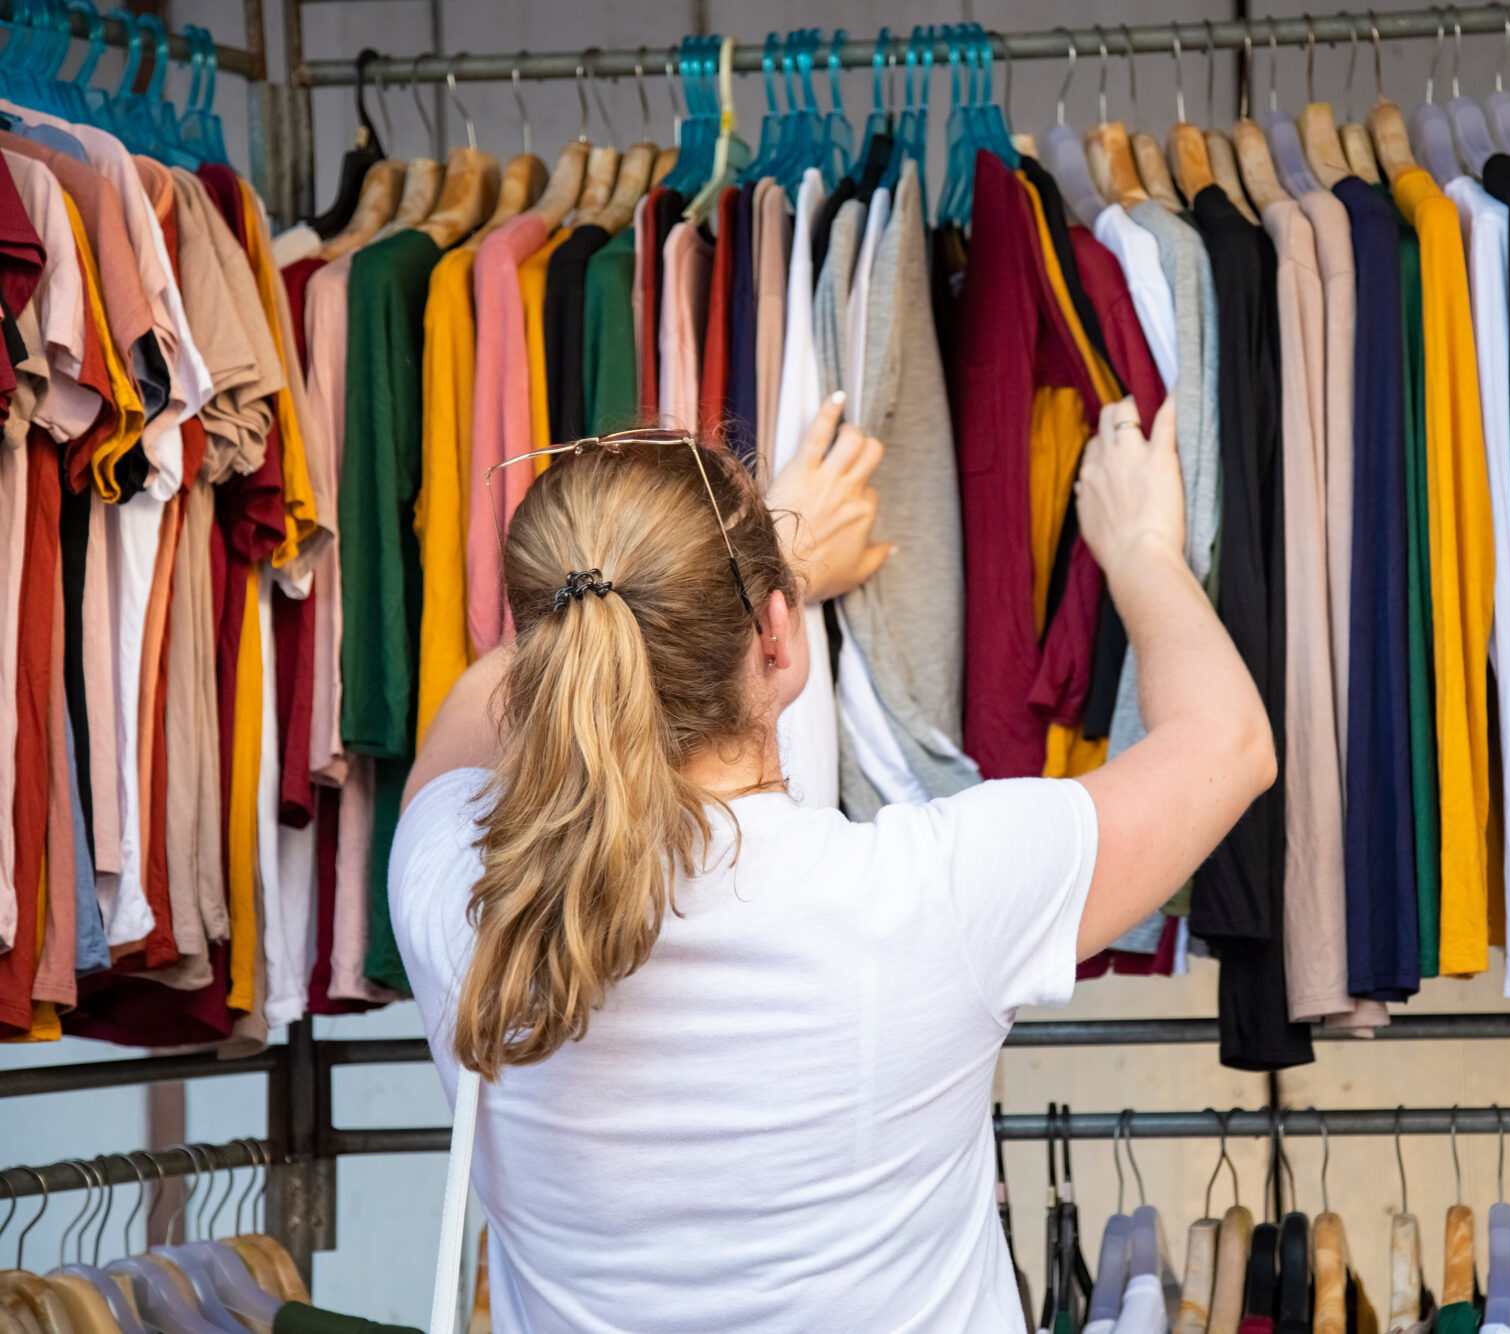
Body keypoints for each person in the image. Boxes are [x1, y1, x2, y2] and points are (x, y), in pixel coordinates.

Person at [389, 390, 1275, 1333]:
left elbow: (482, 707)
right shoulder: (934, 901)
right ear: (777, 637)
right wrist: (1139, 546)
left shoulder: (461, 905)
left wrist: (753, 576)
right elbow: (1229, 743)